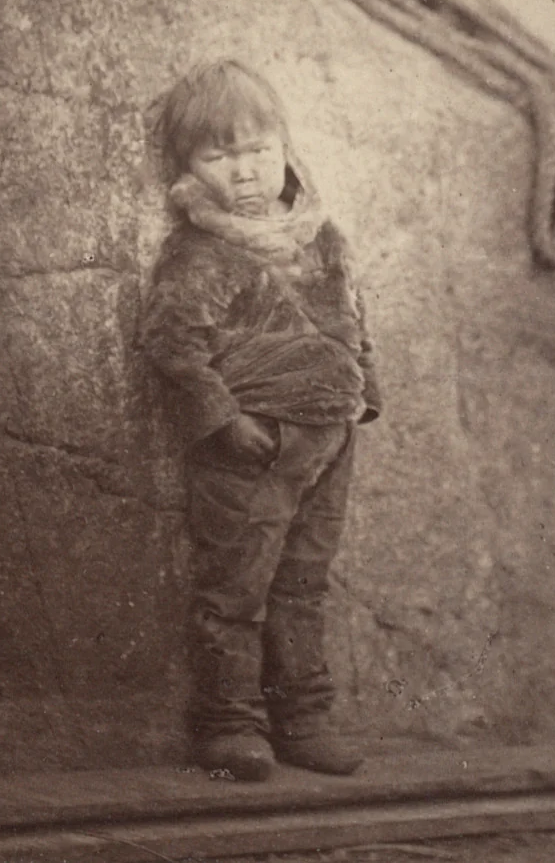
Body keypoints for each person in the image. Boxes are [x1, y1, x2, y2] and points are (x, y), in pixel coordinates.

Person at [141, 59, 381, 781]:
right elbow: (172, 345)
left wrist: (365, 390)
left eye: (257, 150)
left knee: (304, 585)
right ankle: (229, 726)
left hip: (329, 438)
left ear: (284, 149)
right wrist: (225, 423)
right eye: (217, 156)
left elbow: (352, 318)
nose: (243, 172)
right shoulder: (200, 251)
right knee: (235, 590)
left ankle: (303, 719)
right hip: (253, 446)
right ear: (186, 169)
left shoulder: (321, 236)